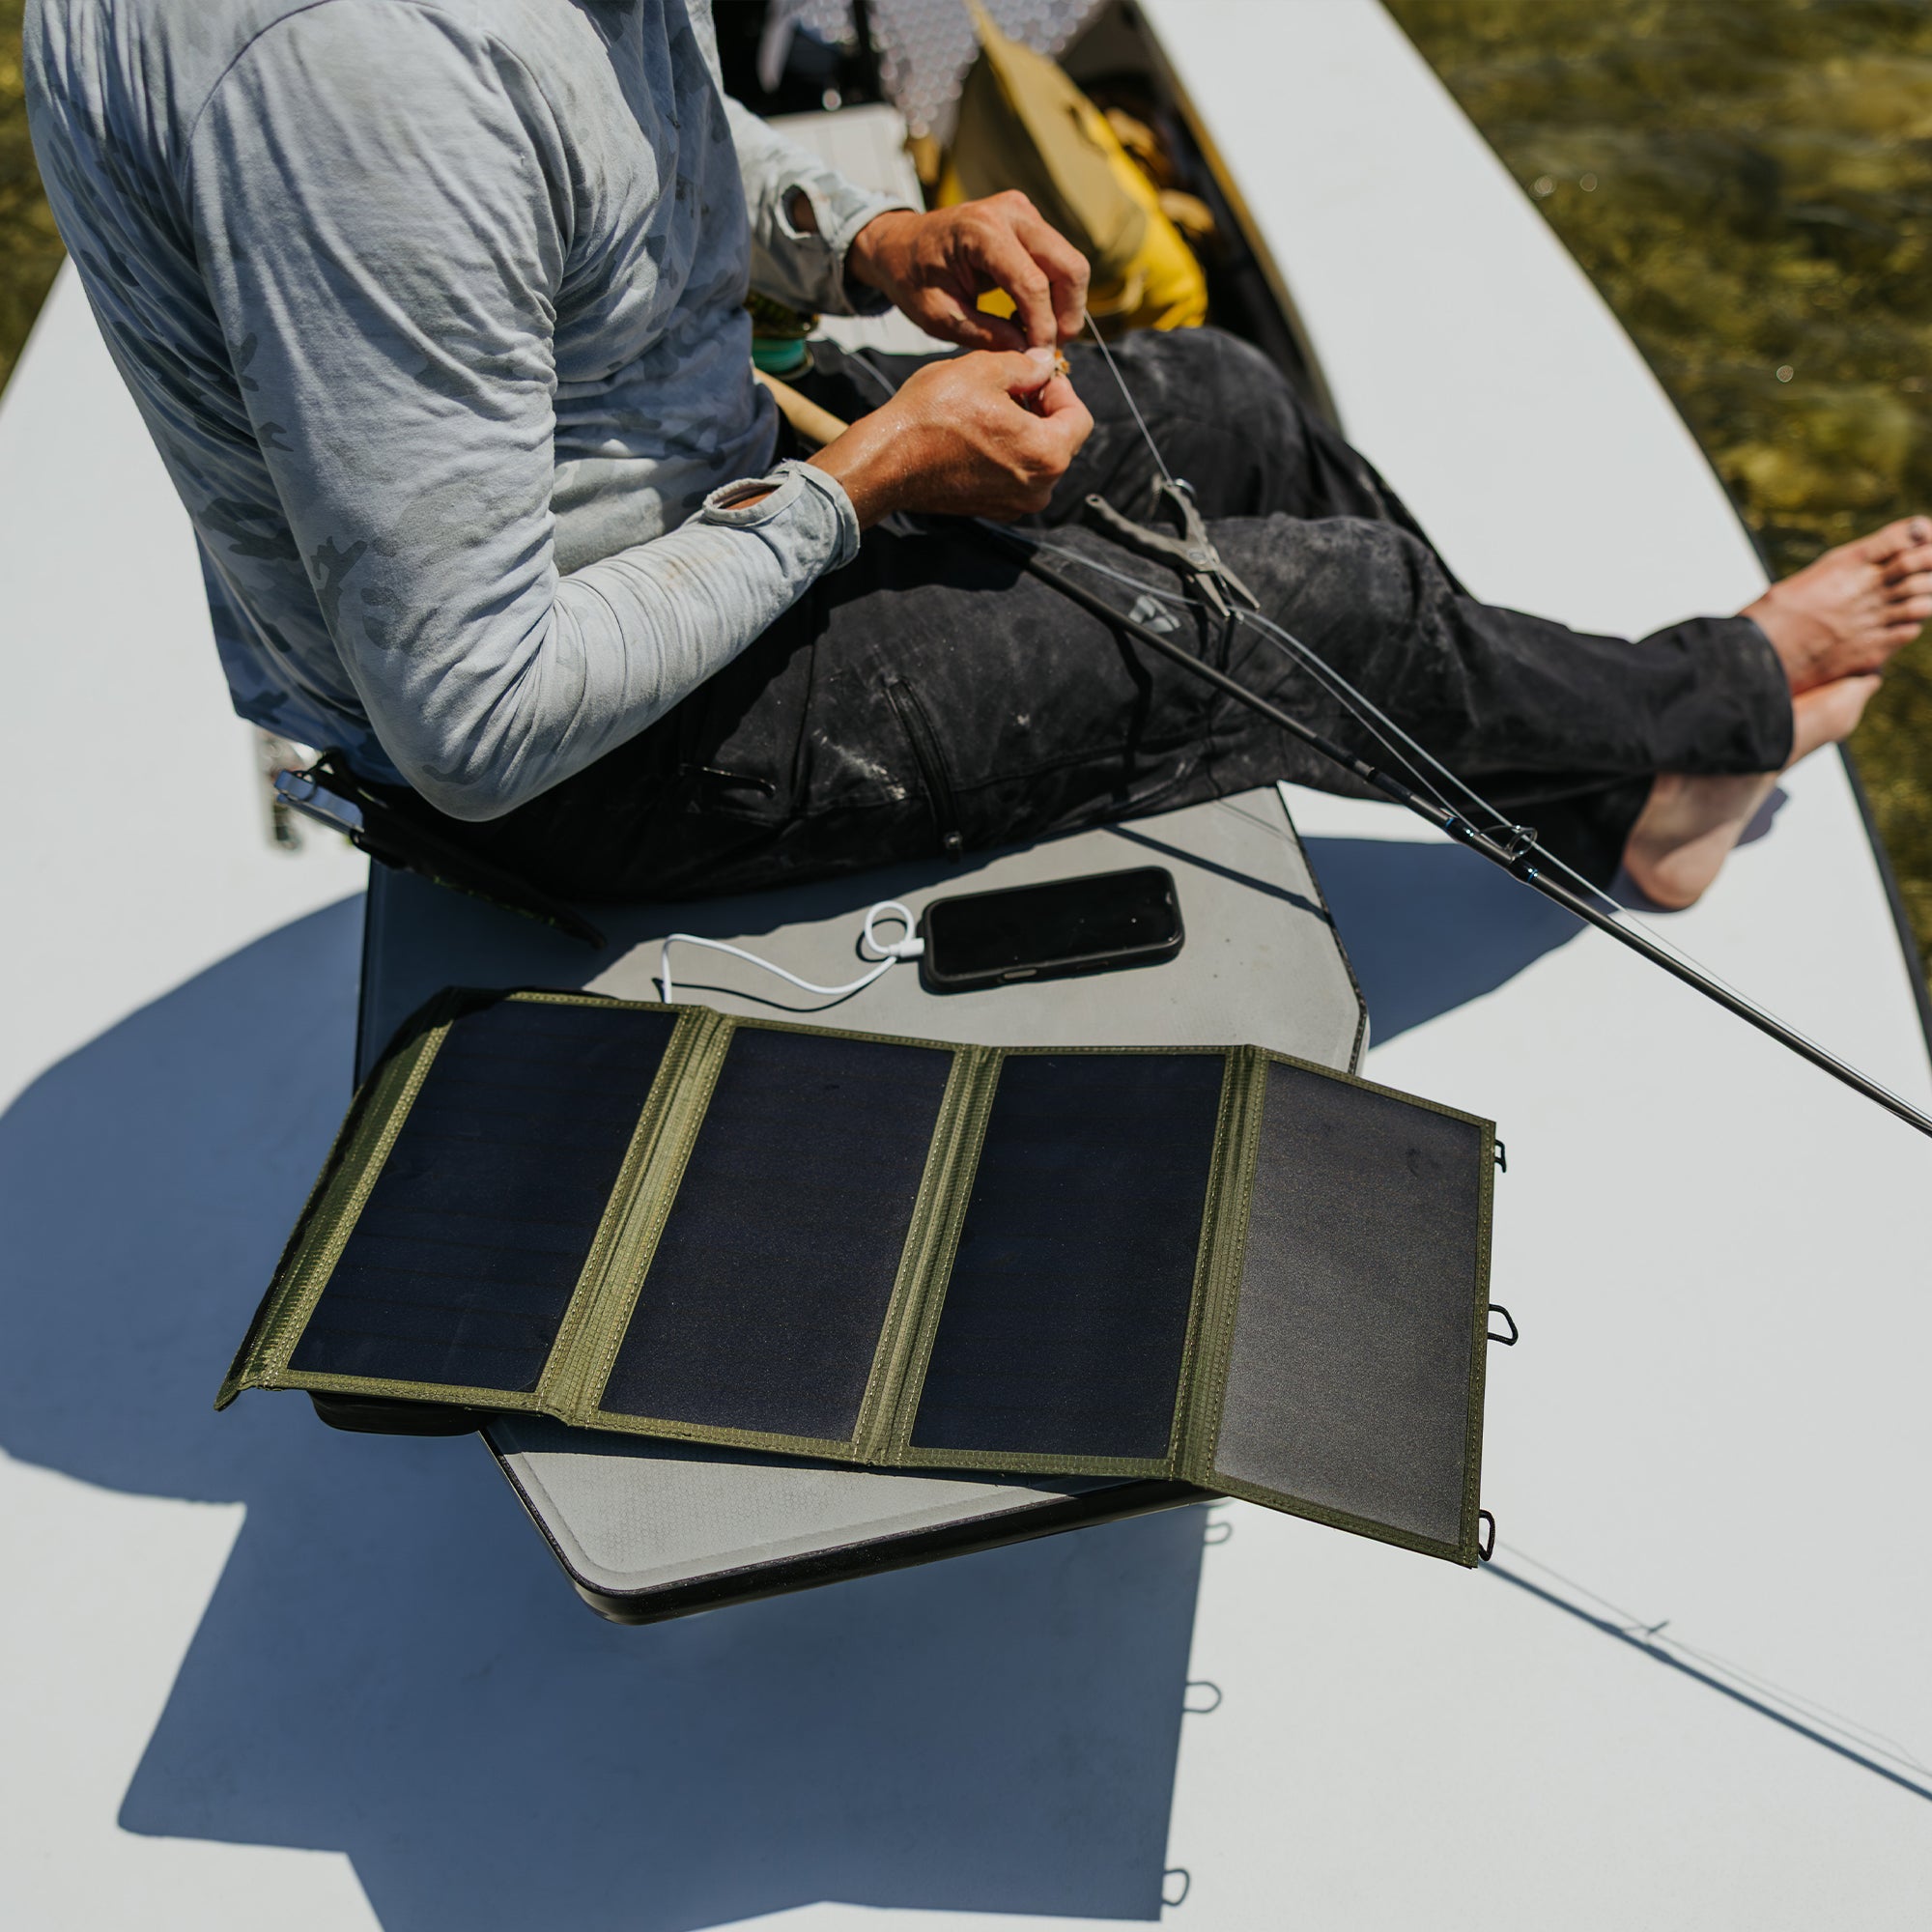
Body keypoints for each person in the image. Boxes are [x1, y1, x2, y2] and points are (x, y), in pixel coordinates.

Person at [26, 0, 1929, 920]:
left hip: (686, 479)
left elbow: (609, 152)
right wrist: (869, 482)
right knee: (1312, 610)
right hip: (589, 749)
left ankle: (1598, 793)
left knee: (1228, 401)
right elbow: (473, 712)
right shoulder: (347, 71)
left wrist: (854, 245)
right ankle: (1713, 711)